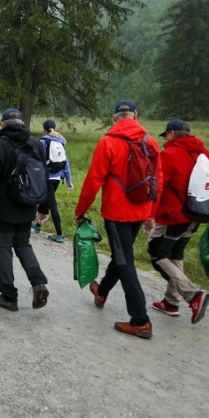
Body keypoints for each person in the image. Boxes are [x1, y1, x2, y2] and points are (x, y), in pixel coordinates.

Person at [74, 100, 161, 339]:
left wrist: (80, 211)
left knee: (125, 262)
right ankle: (101, 292)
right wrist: (150, 213)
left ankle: (140, 321)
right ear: (136, 115)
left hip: (117, 212)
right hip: (140, 209)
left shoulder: (108, 142)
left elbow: (93, 180)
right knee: (121, 255)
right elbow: (157, 180)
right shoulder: (151, 142)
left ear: (114, 118)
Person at [0, 108, 50, 312]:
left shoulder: (0, 146)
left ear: (3, 124)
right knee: (23, 244)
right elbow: (44, 178)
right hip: (28, 206)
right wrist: (44, 207)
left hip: (5, 209)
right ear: (22, 122)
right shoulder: (34, 144)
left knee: (2, 249)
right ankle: (39, 284)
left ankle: (9, 295)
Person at [148, 119, 209, 324]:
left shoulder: (169, 155)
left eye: (166, 136)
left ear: (171, 134)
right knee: (176, 254)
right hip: (198, 214)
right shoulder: (204, 154)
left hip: (172, 216)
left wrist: (150, 214)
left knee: (157, 254)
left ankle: (193, 295)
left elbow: (159, 187)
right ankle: (171, 303)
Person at [32, 119, 73, 242]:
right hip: (57, 179)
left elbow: (37, 161)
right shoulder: (60, 142)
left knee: (52, 204)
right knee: (46, 200)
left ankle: (59, 234)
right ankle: (38, 225)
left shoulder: (42, 142)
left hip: (47, 178)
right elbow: (66, 163)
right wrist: (69, 180)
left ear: (44, 129)